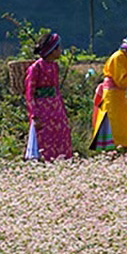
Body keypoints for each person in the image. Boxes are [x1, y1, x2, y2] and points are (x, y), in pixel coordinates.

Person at [24, 31, 74, 160]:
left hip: (56, 109)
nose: (61, 51)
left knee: (61, 135)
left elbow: (57, 89)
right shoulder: (36, 68)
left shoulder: (55, 66)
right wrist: (34, 116)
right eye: (58, 48)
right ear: (52, 51)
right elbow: (30, 94)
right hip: (42, 110)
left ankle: (61, 161)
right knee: (44, 139)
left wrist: (62, 110)